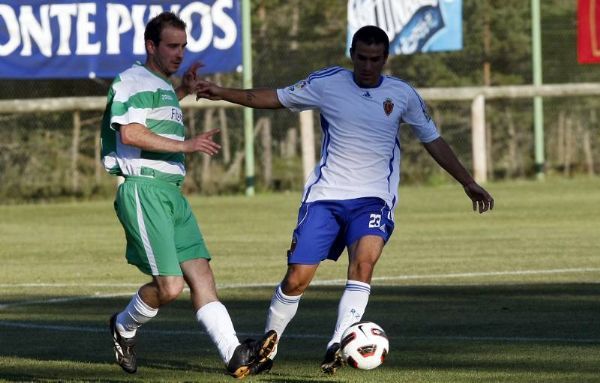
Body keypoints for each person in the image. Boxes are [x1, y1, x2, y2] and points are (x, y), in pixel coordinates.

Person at [195, 25, 494, 374]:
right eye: (362, 58)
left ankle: (337, 343)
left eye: (375, 60)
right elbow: (273, 97)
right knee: (297, 278)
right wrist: (220, 92)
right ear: (352, 54)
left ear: (385, 59)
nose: (368, 66)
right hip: (325, 198)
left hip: (373, 200)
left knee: (363, 264)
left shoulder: (402, 95)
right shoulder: (327, 83)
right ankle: (269, 345)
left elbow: (433, 140)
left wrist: (467, 182)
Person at [100, 11, 276, 379]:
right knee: (169, 288)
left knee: (202, 275)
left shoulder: (161, 84)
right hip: (144, 191)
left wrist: (183, 90)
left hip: (171, 193)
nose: (179, 53)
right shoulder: (131, 80)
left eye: (183, 46)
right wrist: (187, 144)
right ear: (151, 46)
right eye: (172, 46)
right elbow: (130, 134)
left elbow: (153, 116)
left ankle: (234, 354)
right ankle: (123, 326)